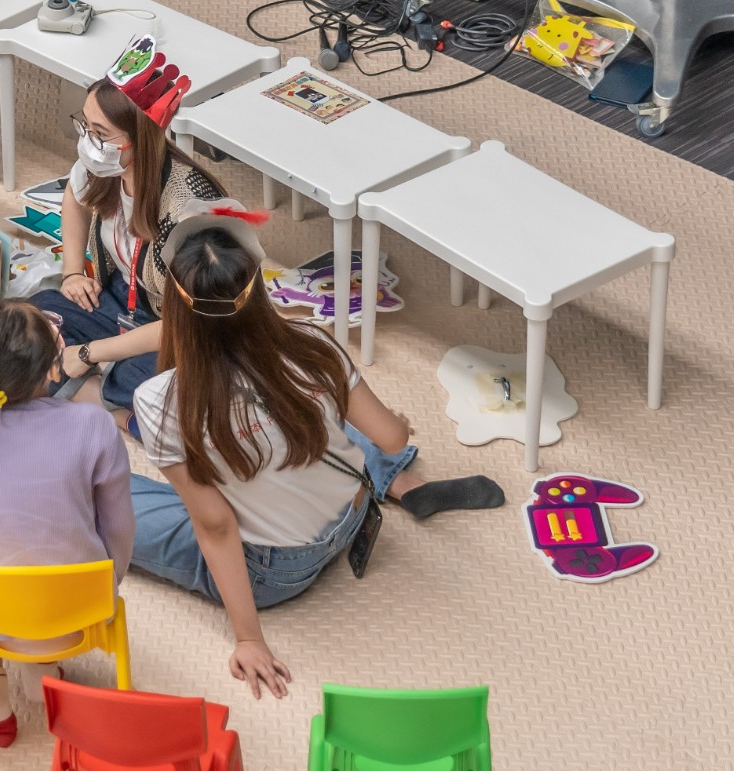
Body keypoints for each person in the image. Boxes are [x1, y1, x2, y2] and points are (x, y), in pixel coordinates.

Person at [130, 211, 504, 699]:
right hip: (351, 515)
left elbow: (216, 526)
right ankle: (398, 485)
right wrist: (397, 421)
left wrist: (249, 638)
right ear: (258, 291)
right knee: (311, 419)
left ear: (174, 312)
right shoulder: (312, 342)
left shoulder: (159, 400)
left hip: (275, 571)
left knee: (102, 494)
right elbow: (391, 439)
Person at [0, 300, 133, 748]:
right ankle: (41, 668)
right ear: (52, 370)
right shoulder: (95, 425)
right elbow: (119, 528)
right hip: (80, 610)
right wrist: (108, 582)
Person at [29, 70, 227, 426]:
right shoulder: (101, 166)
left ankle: (110, 406)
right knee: (31, 323)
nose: (88, 142)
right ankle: (116, 401)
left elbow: (185, 325)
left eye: (101, 133)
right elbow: (74, 197)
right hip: (122, 299)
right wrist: (73, 272)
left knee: (174, 390)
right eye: (85, 126)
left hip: (180, 328)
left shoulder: (188, 207)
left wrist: (88, 354)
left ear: (141, 138)